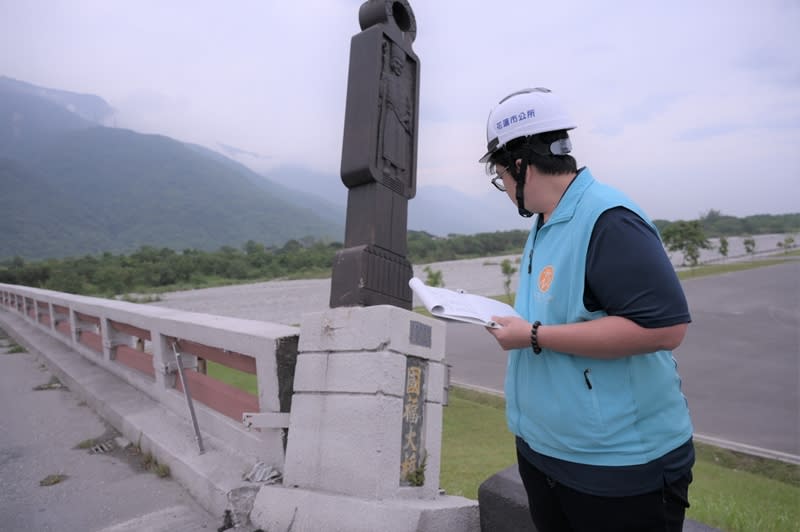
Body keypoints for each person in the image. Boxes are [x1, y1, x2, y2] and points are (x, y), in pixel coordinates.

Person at [480, 87, 695, 532]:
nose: (504, 188)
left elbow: (665, 328)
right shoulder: (545, 222)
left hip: (617, 467)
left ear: (521, 165)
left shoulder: (607, 219)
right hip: (545, 453)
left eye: (502, 176)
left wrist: (533, 335)